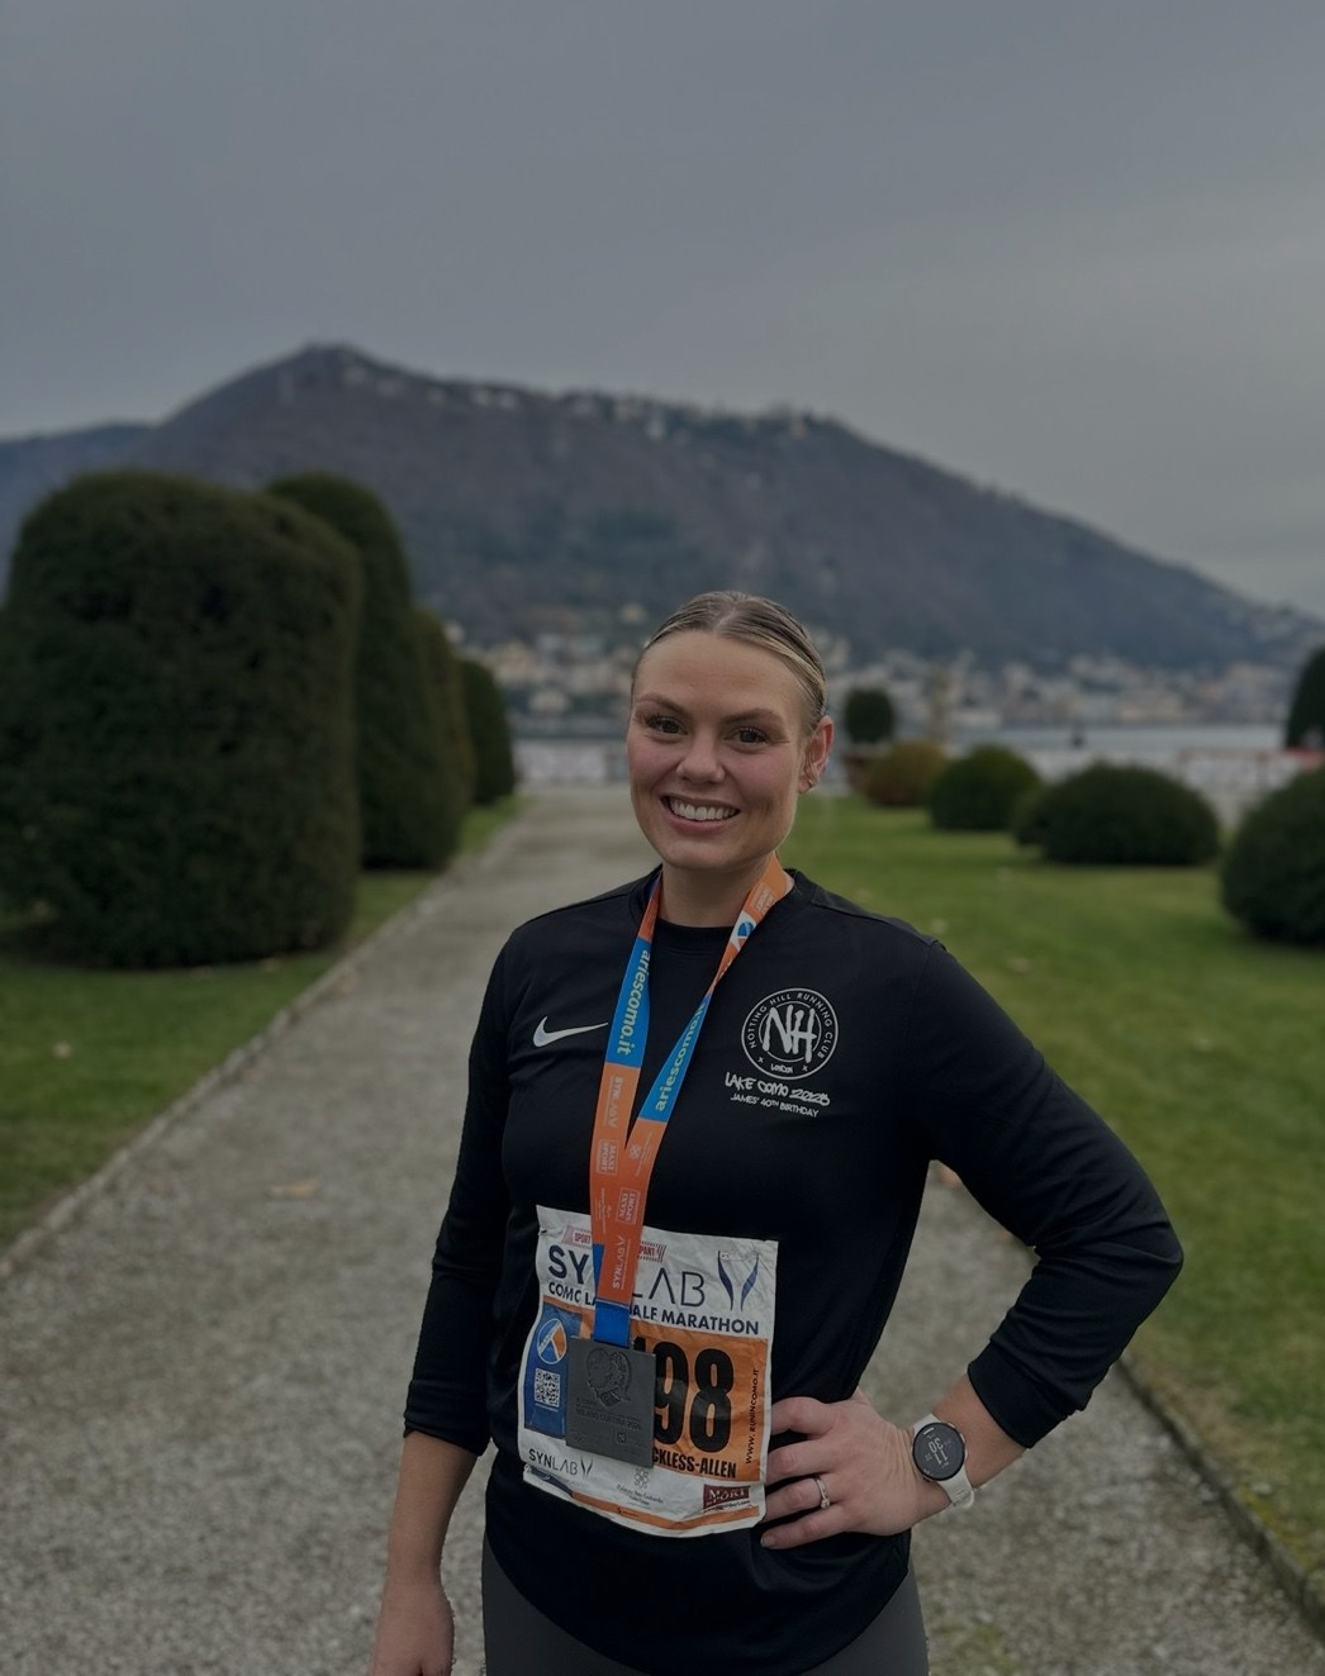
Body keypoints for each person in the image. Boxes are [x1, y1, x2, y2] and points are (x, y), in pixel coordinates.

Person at [367, 591, 1183, 1676]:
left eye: (746, 734)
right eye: (664, 723)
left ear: (811, 755)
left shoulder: (890, 986)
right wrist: (410, 1575)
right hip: (547, 1594)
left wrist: (932, 1460)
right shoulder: (540, 964)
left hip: (796, 1622)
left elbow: (1117, 1238)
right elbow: (473, 1264)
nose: (696, 765)